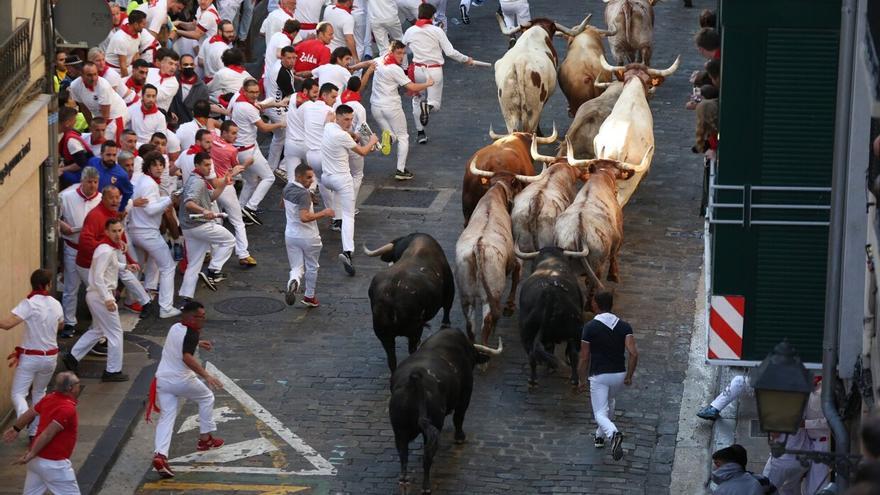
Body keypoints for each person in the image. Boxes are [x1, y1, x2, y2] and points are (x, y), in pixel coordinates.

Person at [149, 300, 225, 479]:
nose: (203, 320)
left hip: (162, 380)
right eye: (201, 317)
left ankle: (160, 455)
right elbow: (186, 357)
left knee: (167, 417)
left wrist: (198, 343)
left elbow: (181, 343)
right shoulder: (191, 334)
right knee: (206, 397)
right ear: (191, 318)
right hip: (181, 380)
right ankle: (205, 439)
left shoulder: (175, 327)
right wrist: (207, 375)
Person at [65, 218, 134, 382]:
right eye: (114, 231)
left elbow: (110, 265)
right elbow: (98, 277)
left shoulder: (106, 248)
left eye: (119, 230)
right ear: (106, 232)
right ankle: (113, 371)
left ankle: (72, 357)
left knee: (99, 330)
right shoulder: (106, 250)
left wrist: (125, 266)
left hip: (97, 295)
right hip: (101, 296)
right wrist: (107, 298)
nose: (117, 234)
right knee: (115, 333)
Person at [0, 269, 64, 438]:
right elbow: (61, 325)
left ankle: (24, 417)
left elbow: (7, 324)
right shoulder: (56, 304)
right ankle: (34, 431)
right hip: (51, 357)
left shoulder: (29, 304)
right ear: (48, 285)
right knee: (39, 393)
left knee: (18, 394)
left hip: (31, 357)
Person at [577, 291, 638, 461]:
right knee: (609, 402)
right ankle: (599, 436)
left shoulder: (589, 327)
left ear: (595, 304)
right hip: (619, 375)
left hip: (599, 376)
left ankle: (613, 434)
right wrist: (629, 376)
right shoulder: (625, 326)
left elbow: (584, 357)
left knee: (599, 413)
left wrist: (581, 379)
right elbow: (633, 353)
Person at [73, 185, 153, 317]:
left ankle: (145, 301)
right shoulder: (95, 216)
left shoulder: (112, 213)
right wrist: (106, 247)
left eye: (117, 197)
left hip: (106, 253)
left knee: (125, 272)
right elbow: (85, 242)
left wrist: (123, 249)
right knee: (99, 292)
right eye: (111, 198)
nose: (115, 201)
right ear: (103, 198)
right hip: (90, 262)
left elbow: (117, 234)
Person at [403, 3, 473, 144]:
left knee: (417, 100)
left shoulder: (410, 31)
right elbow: (450, 52)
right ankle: (428, 108)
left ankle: (420, 133)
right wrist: (466, 59)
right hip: (434, 71)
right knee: (434, 104)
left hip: (417, 70)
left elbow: (402, 49)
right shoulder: (437, 31)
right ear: (432, 16)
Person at [2, 372, 83, 495]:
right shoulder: (67, 409)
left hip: (36, 463)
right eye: (78, 383)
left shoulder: (49, 398)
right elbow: (48, 434)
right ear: (70, 388)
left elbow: (30, 413)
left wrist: (16, 428)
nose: (79, 386)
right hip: (54, 465)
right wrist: (31, 454)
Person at [321, 104, 378, 275]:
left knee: (338, 198)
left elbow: (328, 120)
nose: (349, 122)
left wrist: (353, 134)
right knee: (349, 215)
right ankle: (347, 251)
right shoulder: (341, 135)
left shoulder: (329, 127)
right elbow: (363, 151)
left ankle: (335, 218)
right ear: (338, 118)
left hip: (326, 179)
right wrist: (372, 141)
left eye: (351, 119)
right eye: (346, 119)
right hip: (341, 180)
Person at [129, 152, 183, 319]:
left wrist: (166, 199)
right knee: (168, 266)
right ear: (148, 167)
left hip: (135, 231)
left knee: (136, 268)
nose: (159, 168)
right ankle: (165, 307)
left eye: (161, 165)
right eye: (155, 165)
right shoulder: (150, 184)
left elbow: (149, 205)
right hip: (147, 232)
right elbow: (150, 210)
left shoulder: (143, 180)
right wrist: (169, 200)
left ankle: (136, 299)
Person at [370, 40, 433, 180]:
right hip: (391, 107)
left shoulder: (380, 60)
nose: (401, 56)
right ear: (391, 52)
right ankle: (400, 170)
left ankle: (388, 139)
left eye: (403, 53)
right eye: (398, 53)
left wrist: (353, 67)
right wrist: (428, 83)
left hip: (375, 107)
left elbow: (367, 63)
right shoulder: (395, 69)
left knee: (391, 135)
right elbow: (412, 87)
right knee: (403, 137)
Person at [178, 152, 236, 298]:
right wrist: (204, 211)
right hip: (199, 226)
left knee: (194, 264)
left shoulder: (196, 178)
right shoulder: (197, 182)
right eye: (206, 165)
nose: (209, 168)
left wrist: (224, 183)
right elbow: (189, 203)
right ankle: (213, 270)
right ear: (197, 165)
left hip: (188, 228)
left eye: (210, 165)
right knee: (229, 240)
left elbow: (211, 197)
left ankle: (186, 297)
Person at [230, 79, 286, 225]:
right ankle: (251, 207)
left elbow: (258, 105)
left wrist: (276, 104)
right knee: (269, 177)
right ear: (244, 91)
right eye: (252, 92)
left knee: (251, 181)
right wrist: (281, 123)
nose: (255, 95)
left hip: (244, 147)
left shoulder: (240, 100)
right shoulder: (246, 108)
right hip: (247, 150)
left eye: (257, 92)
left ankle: (239, 211)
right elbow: (264, 128)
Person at [58, 167, 103, 338]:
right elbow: (54, 216)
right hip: (72, 248)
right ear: (82, 181)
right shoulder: (66, 197)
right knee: (71, 287)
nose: (92, 185)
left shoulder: (101, 199)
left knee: (94, 286)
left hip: (93, 251)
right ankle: (69, 322)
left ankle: (96, 323)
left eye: (95, 182)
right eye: (89, 182)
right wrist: (62, 226)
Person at [283, 164, 334, 307]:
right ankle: (309, 296)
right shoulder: (303, 194)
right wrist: (324, 212)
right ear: (298, 177)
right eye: (308, 177)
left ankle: (294, 281)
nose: (312, 180)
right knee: (312, 266)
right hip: (309, 236)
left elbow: (283, 204)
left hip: (291, 235)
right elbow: (304, 217)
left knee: (296, 268)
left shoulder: (287, 188)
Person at [69, 62, 130, 143]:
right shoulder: (74, 86)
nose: (93, 78)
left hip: (116, 114)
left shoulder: (103, 86)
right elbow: (84, 109)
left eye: (95, 74)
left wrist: (99, 131)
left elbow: (105, 115)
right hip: (99, 115)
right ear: (82, 75)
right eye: (89, 75)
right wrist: (91, 127)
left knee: (109, 142)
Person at [301, 82, 339, 207]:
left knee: (321, 183)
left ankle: (331, 210)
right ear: (324, 95)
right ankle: (338, 213)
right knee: (339, 184)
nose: (335, 100)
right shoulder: (330, 110)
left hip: (311, 155)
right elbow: (334, 134)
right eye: (333, 97)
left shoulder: (307, 107)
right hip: (325, 154)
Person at [263, 46, 298, 178]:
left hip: (272, 104)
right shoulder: (283, 74)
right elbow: (291, 95)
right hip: (278, 109)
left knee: (279, 138)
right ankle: (282, 167)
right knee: (292, 136)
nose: (292, 61)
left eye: (294, 58)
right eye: (288, 58)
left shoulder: (278, 64)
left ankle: (270, 168)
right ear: (282, 57)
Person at [283, 78, 320, 183]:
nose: (317, 95)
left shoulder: (293, 96)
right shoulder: (312, 106)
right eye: (314, 92)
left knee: (292, 180)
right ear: (305, 91)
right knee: (314, 176)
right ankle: (311, 190)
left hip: (290, 144)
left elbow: (284, 101)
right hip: (307, 145)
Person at [90, 141, 135, 210]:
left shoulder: (121, 174)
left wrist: (121, 209)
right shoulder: (93, 162)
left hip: (106, 210)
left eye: (114, 155)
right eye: (108, 155)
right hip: (90, 204)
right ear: (101, 154)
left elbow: (128, 192)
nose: (111, 158)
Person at [171, 54, 213, 124]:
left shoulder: (202, 87)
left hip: (191, 125)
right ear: (180, 67)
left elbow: (203, 110)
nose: (189, 67)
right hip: (172, 123)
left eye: (191, 64)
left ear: (194, 66)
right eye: (186, 64)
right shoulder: (172, 80)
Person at [58, 107, 95, 186]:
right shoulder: (62, 134)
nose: (75, 122)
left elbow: (81, 164)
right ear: (67, 123)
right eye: (74, 120)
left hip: (84, 173)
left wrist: (61, 169)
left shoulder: (72, 141)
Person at [105, 9, 148, 77]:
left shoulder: (138, 35)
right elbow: (123, 67)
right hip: (113, 71)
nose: (144, 26)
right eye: (143, 24)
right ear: (136, 24)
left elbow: (136, 55)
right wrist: (128, 81)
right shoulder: (121, 39)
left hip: (127, 67)